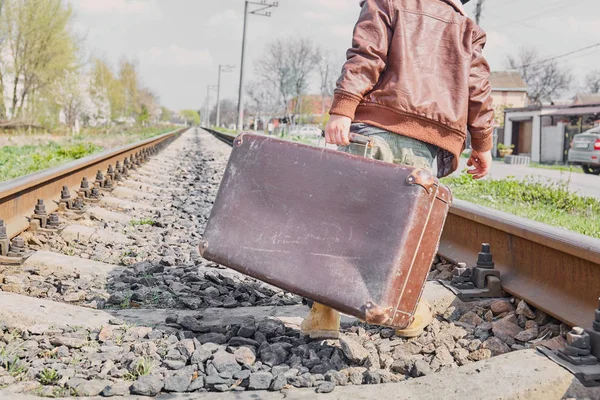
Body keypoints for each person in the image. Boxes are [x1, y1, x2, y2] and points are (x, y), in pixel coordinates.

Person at [300, 0, 494, 339]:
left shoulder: (387, 1)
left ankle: (324, 315)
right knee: (404, 229)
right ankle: (407, 313)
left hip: (376, 126)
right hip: (424, 145)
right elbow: (478, 87)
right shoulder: (464, 25)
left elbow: (367, 53)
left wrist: (344, 108)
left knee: (347, 220)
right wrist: (483, 143)